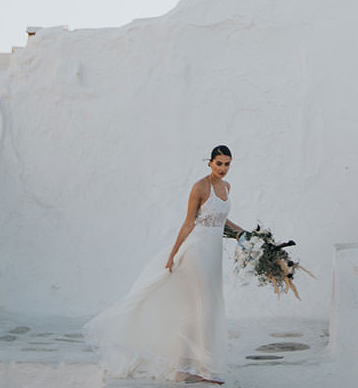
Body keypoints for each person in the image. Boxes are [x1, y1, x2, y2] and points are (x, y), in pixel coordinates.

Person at [85, 145, 241, 383]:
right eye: (219, 163)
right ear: (209, 162)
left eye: (227, 164)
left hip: (213, 254)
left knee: (206, 309)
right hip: (196, 251)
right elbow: (189, 223)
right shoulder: (200, 187)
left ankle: (187, 368)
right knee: (200, 308)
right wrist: (173, 254)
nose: (223, 168)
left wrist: (246, 234)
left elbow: (221, 218)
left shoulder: (227, 187)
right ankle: (194, 368)